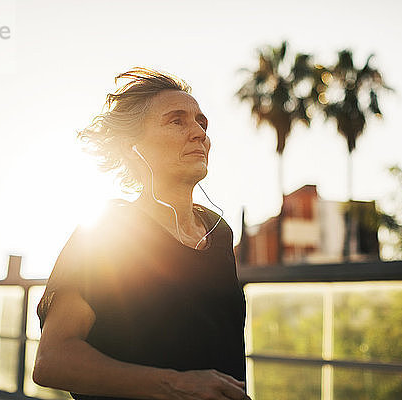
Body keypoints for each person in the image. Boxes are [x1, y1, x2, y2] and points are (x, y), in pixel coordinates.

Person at [33, 67, 250, 400]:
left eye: (202, 122)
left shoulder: (220, 233)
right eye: (177, 121)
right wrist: (177, 386)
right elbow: (52, 360)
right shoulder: (106, 234)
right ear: (130, 147)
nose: (198, 133)